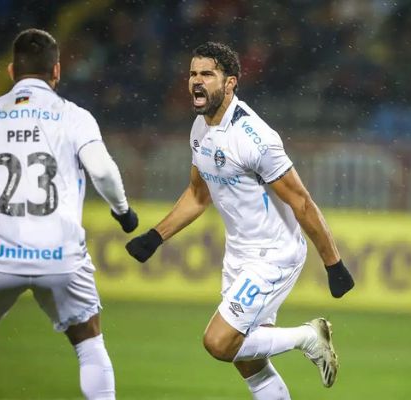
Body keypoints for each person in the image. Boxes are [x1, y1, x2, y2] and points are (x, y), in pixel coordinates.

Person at [125, 42, 354, 399]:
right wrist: (155, 236)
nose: (196, 82)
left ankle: (308, 337)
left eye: (207, 75)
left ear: (230, 83)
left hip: (273, 254)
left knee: (219, 342)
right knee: (248, 361)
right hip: (239, 254)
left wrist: (333, 263)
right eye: (192, 74)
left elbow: (302, 203)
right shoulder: (199, 129)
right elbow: (199, 194)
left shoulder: (255, 138)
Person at [0, 28, 138, 400]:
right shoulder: (75, 117)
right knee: (88, 343)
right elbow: (101, 170)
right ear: (57, 71)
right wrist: (123, 212)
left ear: (10, 71)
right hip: (60, 255)